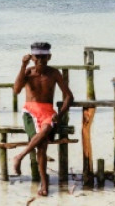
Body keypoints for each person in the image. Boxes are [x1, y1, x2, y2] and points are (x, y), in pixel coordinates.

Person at [11, 41, 73, 196]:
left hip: (48, 112)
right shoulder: (28, 72)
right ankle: (44, 183)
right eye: (37, 57)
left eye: (43, 57)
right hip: (30, 111)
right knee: (43, 144)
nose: (40, 60)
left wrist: (60, 114)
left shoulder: (54, 73)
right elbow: (16, 90)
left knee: (46, 129)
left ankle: (20, 156)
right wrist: (23, 66)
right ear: (32, 57)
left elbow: (68, 96)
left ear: (49, 57)